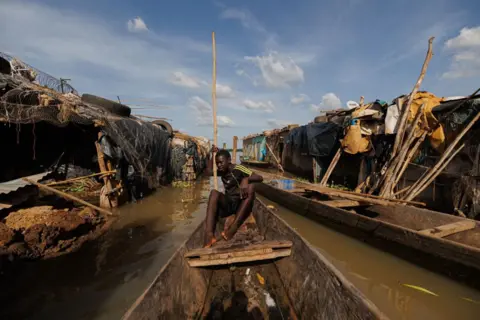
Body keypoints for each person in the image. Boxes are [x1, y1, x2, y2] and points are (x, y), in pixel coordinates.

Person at [204, 145, 263, 247]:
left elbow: (259, 177)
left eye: (221, 162)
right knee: (214, 193)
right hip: (229, 204)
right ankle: (209, 235)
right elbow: (208, 172)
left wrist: (246, 179)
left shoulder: (238, 168)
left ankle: (233, 228)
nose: (219, 165)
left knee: (251, 187)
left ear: (229, 160)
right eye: (217, 163)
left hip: (241, 205)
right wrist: (210, 154)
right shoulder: (222, 171)